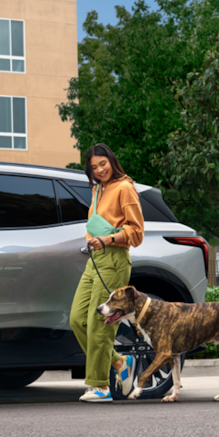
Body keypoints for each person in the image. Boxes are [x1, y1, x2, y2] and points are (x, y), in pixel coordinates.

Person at [71, 143, 145, 403]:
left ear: (112, 161)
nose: (100, 169)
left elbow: (137, 232)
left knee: (99, 324)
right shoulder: (97, 189)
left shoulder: (125, 187)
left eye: (103, 163)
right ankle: (120, 362)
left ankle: (99, 386)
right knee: (78, 319)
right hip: (94, 259)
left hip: (114, 259)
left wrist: (109, 239)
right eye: (94, 167)